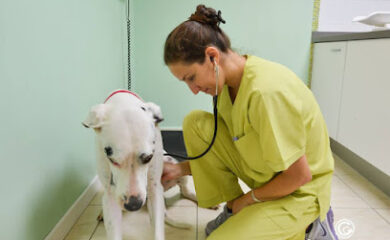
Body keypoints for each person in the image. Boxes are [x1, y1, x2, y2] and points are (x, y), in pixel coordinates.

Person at [161, 4, 338, 240]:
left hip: (299, 192)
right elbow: (221, 155)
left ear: (212, 56)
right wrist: (177, 170)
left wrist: (248, 199)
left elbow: (299, 176)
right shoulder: (225, 88)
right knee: (195, 123)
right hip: (268, 174)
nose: (193, 90)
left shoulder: (266, 92)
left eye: (191, 78)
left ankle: (312, 226)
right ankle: (236, 209)